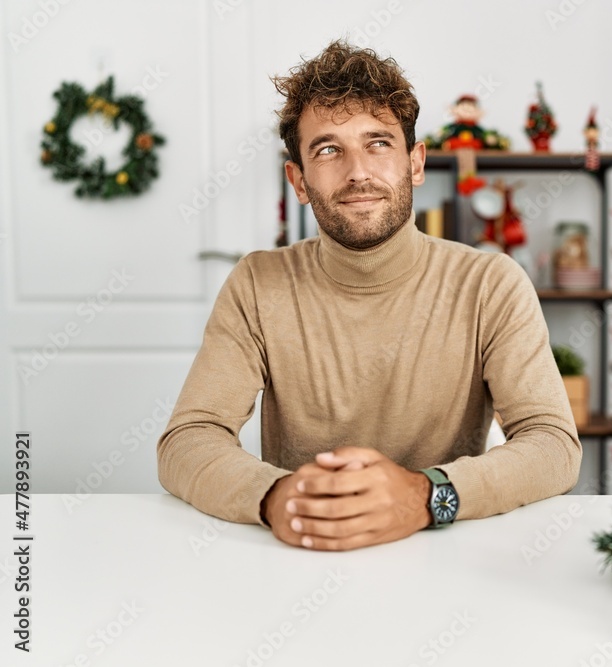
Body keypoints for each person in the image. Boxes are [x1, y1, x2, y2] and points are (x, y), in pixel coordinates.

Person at [156, 39, 581, 552]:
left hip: (448, 559)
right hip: (302, 553)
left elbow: (553, 444)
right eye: (329, 149)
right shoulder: (257, 284)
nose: (358, 171)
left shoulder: (491, 284)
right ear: (299, 180)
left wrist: (426, 496)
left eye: (378, 142)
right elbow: (188, 438)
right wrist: (275, 497)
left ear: (416, 163)